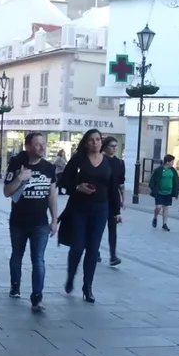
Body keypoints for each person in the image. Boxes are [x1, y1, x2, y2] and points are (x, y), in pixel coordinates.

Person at [59, 129, 122, 303]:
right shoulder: (78, 160)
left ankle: (88, 287)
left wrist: (116, 212)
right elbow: (64, 180)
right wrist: (77, 187)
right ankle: (71, 277)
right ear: (86, 143)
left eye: (98, 140)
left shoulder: (110, 163)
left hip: (100, 210)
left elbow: (113, 189)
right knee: (78, 246)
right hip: (79, 208)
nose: (95, 143)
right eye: (91, 140)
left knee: (93, 249)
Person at [4, 132, 58, 311]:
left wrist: (54, 219)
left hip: (40, 223)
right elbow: (7, 192)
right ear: (27, 147)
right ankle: (15, 285)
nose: (42, 147)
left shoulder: (49, 168)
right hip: (18, 222)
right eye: (37, 144)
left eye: (44, 144)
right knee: (17, 255)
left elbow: (52, 195)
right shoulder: (16, 164)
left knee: (39, 260)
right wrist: (19, 178)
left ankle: (37, 298)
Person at [101, 137, 126, 266]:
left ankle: (113, 255)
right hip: (99, 198)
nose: (114, 148)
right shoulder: (100, 160)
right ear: (105, 147)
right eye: (111, 146)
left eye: (115, 146)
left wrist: (123, 199)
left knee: (113, 229)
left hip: (113, 199)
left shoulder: (119, 163)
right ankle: (95, 251)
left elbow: (121, 183)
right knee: (97, 228)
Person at [148, 154, 179, 232]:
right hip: (159, 192)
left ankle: (164, 224)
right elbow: (152, 180)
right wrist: (152, 189)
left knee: (166, 208)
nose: (173, 163)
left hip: (168, 192)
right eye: (172, 161)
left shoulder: (173, 170)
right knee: (158, 207)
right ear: (167, 162)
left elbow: (176, 181)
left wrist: (176, 191)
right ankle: (155, 217)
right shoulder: (159, 170)